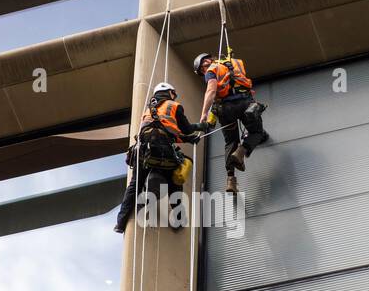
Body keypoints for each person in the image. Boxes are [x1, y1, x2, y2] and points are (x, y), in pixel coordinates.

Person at [114, 81, 201, 232]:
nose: (174, 97)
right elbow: (183, 129)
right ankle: (179, 220)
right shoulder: (174, 106)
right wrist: (199, 128)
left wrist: (186, 139)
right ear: (168, 92)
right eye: (173, 93)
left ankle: (120, 223)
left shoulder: (149, 110)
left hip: (142, 151)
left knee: (134, 185)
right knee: (175, 182)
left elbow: (161, 131)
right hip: (163, 151)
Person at [193, 51, 269, 190]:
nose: (204, 73)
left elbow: (211, 90)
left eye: (202, 71)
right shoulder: (234, 64)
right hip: (245, 103)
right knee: (257, 132)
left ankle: (231, 180)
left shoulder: (211, 70)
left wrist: (204, 113)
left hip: (226, 110)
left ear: (204, 64)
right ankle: (242, 151)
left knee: (230, 142)